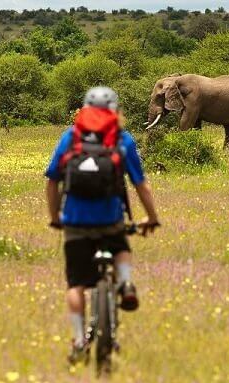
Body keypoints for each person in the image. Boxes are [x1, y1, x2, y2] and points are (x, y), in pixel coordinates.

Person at [45, 86, 160, 365]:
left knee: (75, 286)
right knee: (121, 246)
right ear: (114, 110)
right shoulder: (123, 139)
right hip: (110, 221)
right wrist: (152, 217)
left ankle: (78, 341)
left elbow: (52, 182)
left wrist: (56, 217)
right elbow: (140, 184)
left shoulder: (70, 137)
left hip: (75, 222)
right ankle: (126, 282)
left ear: (84, 108)